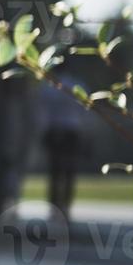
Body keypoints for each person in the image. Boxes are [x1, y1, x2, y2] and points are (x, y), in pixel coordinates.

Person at [37, 75, 89, 223]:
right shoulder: (77, 84)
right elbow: (83, 111)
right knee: (68, 172)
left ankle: (56, 207)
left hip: (56, 131)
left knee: (55, 172)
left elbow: (42, 113)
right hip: (70, 131)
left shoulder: (47, 87)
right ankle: (64, 207)